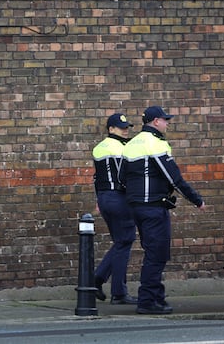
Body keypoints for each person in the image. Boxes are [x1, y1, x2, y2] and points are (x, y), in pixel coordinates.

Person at [120, 106, 206, 315]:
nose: (167, 123)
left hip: (136, 206)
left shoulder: (131, 144)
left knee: (153, 252)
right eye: (165, 120)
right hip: (153, 207)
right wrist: (197, 200)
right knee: (157, 254)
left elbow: (122, 179)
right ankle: (148, 301)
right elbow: (173, 177)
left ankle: (156, 297)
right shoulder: (155, 143)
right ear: (156, 121)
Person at [92, 113, 137, 305]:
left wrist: (98, 199)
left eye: (126, 127)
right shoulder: (123, 148)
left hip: (104, 198)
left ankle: (98, 280)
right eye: (121, 127)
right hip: (119, 198)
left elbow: (97, 177)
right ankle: (116, 291)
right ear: (111, 129)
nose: (125, 130)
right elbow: (125, 178)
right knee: (125, 240)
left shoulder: (99, 148)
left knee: (121, 241)